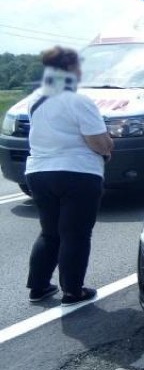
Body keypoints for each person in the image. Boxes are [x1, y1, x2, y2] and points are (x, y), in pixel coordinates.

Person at [25, 46, 114, 306]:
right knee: (75, 234)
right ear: (72, 69)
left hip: (39, 171)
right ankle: (73, 290)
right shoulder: (80, 101)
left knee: (50, 232)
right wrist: (108, 147)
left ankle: (38, 286)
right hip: (77, 173)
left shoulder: (36, 99)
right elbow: (97, 141)